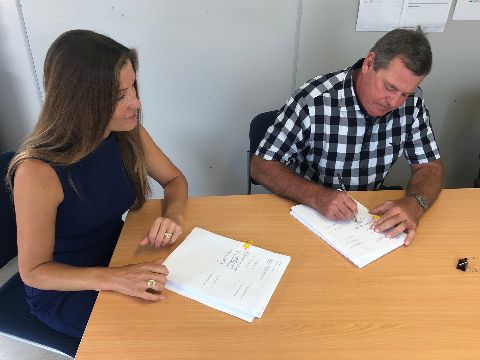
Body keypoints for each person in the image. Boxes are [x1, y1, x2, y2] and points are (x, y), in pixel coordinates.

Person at [6, 30, 188, 338]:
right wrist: (115, 278)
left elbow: (175, 181)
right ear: (80, 100)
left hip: (118, 254)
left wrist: (172, 217)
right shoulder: (37, 172)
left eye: (133, 88)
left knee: (185, 314)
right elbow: (34, 272)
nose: (137, 104)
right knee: (158, 337)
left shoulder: (125, 134)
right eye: (120, 96)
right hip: (66, 287)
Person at [250, 28, 444, 246]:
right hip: (309, 211)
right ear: (369, 63)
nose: (394, 103)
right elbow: (261, 165)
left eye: (405, 94)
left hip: (367, 219)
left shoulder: (413, 105)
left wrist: (415, 203)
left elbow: (429, 167)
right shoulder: (315, 99)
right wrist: (317, 196)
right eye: (390, 87)